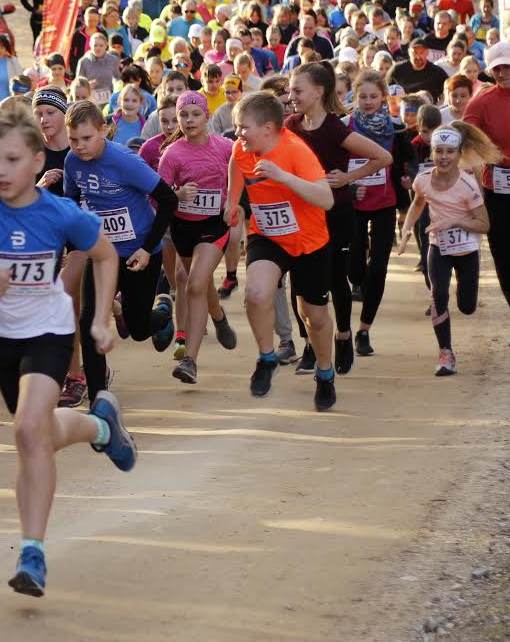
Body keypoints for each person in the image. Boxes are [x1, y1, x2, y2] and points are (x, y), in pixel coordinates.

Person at [0, 108, 136, 598]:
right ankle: (101, 426)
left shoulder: (59, 212)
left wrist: (101, 319)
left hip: (48, 330)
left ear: (38, 160)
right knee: (37, 434)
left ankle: (32, 552)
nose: (1, 170)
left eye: (13, 159)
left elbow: (106, 255)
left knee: (27, 432)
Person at [225, 92, 339, 411]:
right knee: (257, 294)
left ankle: (325, 373)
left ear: (269, 128)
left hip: (309, 242)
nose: (237, 135)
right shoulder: (243, 148)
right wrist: (232, 201)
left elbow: (327, 199)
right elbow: (236, 164)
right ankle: (266, 359)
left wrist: (283, 176)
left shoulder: (296, 152)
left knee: (313, 318)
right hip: (268, 235)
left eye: (243, 127)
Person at [63, 99, 178, 404]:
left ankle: (162, 313)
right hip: (102, 255)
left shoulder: (125, 162)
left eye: (86, 138)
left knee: (139, 329)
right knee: (89, 325)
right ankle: (99, 400)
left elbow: (168, 200)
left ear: (104, 130)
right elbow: (72, 202)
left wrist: (145, 246)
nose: (79, 146)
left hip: (141, 253)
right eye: (73, 140)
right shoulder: (72, 162)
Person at [286, 62, 392, 375]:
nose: (290, 96)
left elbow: (383, 157)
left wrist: (348, 177)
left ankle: (343, 336)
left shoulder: (334, 128)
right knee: (299, 284)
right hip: (301, 215)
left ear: (318, 92)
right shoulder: (290, 126)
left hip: (336, 214)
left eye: (296, 90)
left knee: (334, 279)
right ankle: (309, 343)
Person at [398, 123, 501, 375]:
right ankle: (446, 353)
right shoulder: (422, 181)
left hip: (466, 249)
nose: (444, 157)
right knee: (438, 295)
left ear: (458, 154)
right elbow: (418, 203)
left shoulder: (467, 185)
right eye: (439, 151)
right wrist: (406, 228)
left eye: (449, 152)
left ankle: (463, 296)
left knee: (467, 306)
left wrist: (453, 221)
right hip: (439, 246)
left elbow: (484, 224)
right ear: (432, 153)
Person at [157, 91, 238, 383]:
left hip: (215, 225)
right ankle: (218, 317)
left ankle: (189, 360)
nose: (189, 120)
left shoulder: (225, 147)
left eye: (195, 114)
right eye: (184, 115)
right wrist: (177, 195)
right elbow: (159, 197)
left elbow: (243, 170)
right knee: (200, 283)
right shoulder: (173, 153)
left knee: (193, 285)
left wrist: (232, 200)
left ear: (207, 116)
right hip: (183, 229)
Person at [462, 41, 510, 346]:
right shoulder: (480, 102)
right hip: (497, 189)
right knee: (503, 257)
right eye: (497, 67)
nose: (503, 72)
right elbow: (464, 141)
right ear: (490, 70)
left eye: (508, 65)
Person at [345, 71, 410, 356]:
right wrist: (350, 186)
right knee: (355, 269)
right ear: (354, 97)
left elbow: (409, 157)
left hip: (385, 203)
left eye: (373, 96)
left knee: (379, 270)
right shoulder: (345, 126)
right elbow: (332, 163)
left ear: (384, 96)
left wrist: (409, 176)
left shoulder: (394, 127)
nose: (368, 102)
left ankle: (363, 330)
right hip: (354, 207)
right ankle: (359, 279)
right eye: (363, 97)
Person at [388, 38, 448, 103]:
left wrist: (437, 107)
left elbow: (446, 95)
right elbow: (386, 90)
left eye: (421, 53)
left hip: (428, 110)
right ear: (409, 52)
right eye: (415, 53)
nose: (418, 57)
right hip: (403, 108)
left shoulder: (437, 72)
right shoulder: (397, 70)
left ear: (427, 52)